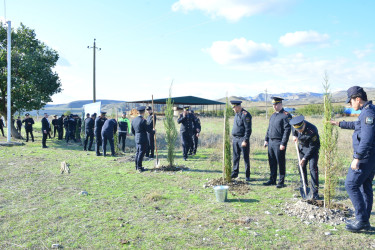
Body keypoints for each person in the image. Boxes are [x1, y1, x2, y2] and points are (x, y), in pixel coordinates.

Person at [330, 86, 375, 232]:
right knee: (365, 187)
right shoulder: (367, 111)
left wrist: (357, 157)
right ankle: (365, 222)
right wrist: (339, 123)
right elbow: (357, 125)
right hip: (370, 156)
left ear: (358, 99)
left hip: (365, 156)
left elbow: (367, 138)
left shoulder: (368, 113)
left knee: (350, 184)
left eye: (350, 101)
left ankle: (361, 220)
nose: (350, 104)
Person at [263, 97, 292, 188]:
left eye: (276, 104)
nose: (274, 106)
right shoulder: (273, 115)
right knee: (272, 161)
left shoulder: (286, 115)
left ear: (280, 104)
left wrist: (283, 143)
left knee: (281, 162)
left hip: (279, 142)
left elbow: (287, 131)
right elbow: (269, 129)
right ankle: (272, 179)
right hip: (271, 142)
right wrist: (266, 139)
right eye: (273, 105)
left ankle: (281, 181)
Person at [290, 115, 320, 199]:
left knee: (313, 168)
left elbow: (313, 147)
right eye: (297, 130)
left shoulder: (312, 130)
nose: (299, 131)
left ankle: (315, 192)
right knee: (301, 166)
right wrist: (294, 135)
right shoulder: (295, 126)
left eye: (300, 129)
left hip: (312, 149)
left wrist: (304, 158)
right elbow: (293, 127)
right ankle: (304, 186)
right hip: (302, 148)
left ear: (303, 124)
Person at [230, 100, 252, 181]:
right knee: (235, 157)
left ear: (238, 106)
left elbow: (248, 129)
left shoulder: (245, 115)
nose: (233, 109)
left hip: (242, 139)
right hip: (235, 139)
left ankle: (247, 175)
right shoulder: (236, 114)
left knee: (245, 157)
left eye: (234, 107)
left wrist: (245, 140)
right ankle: (235, 173)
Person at [131, 106, 148, 172]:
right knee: (141, 152)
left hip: (137, 137)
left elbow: (132, 130)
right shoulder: (143, 120)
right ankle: (139, 167)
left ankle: (136, 166)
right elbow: (148, 129)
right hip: (142, 138)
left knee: (138, 152)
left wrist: (136, 135)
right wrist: (154, 131)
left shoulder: (134, 120)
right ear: (143, 112)